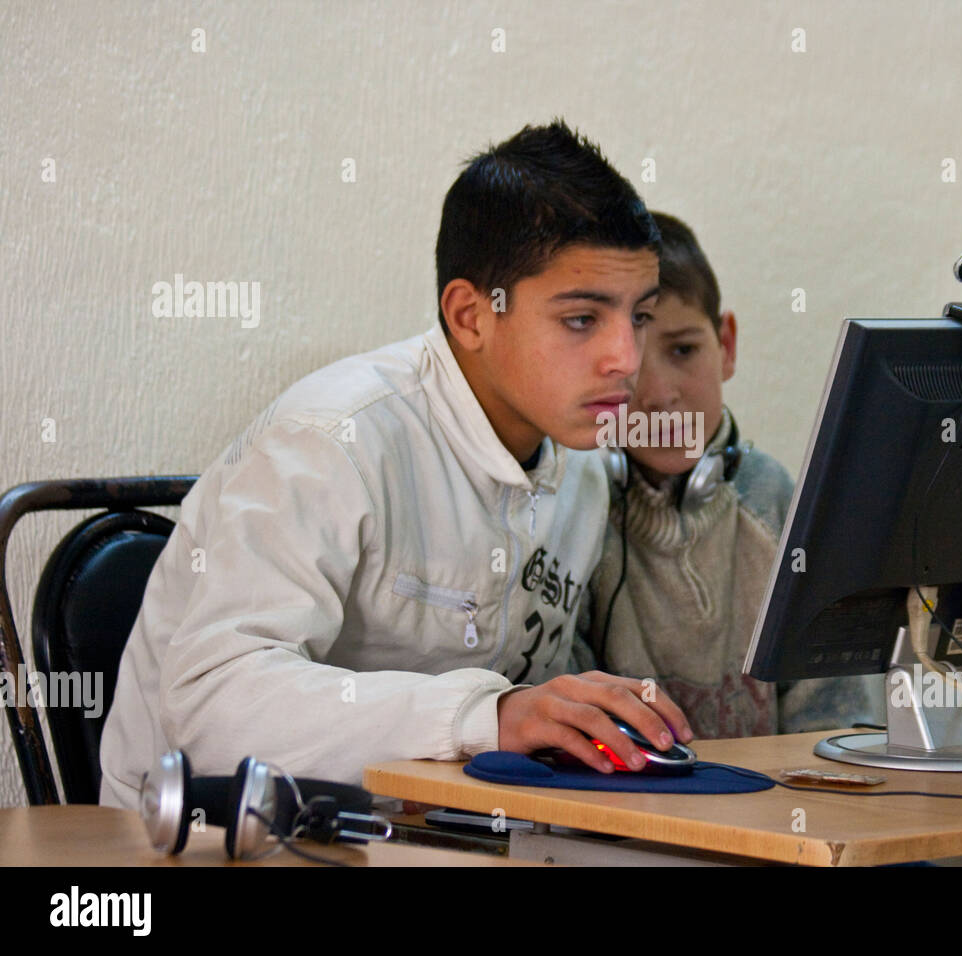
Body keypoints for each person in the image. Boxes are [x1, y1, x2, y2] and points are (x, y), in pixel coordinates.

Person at [99, 121, 694, 809]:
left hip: (438, 834)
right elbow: (210, 711)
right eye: (582, 319)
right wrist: (485, 717)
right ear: (471, 316)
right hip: (213, 840)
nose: (625, 356)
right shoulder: (333, 440)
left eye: (640, 317)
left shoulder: (584, 465)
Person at [572, 212, 871, 738]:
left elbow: (836, 728)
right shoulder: (576, 509)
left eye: (683, 350)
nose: (661, 394)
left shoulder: (778, 507)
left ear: (726, 346)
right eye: (634, 362)